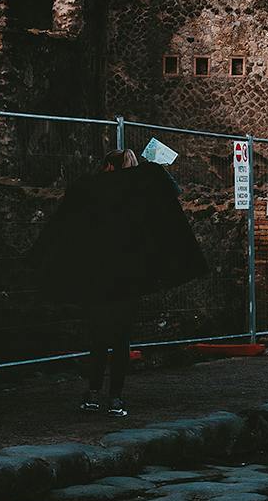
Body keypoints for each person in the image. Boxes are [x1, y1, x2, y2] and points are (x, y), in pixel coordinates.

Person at [30, 148, 207, 418]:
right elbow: (173, 190)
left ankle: (92, 393)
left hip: (97, 277)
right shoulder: (140, 194)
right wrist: (151, 168)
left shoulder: (92, 189)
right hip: (128, 277)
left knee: (98, 339)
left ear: (109, 167)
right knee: (120, 341)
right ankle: (115, 398)